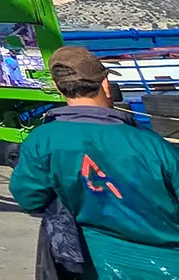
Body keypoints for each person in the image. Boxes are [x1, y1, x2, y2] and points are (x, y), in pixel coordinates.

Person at [10, 45, 179, 279]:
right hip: (167, 262)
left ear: (60, 89)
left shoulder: (42, 140)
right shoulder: (152, 145)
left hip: (93, 260)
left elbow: (29, 198)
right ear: (106, 85)